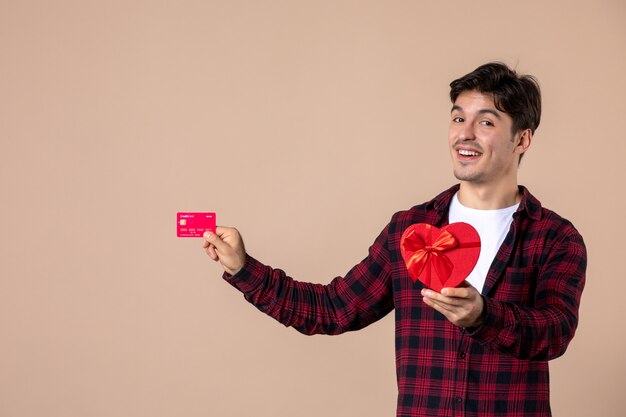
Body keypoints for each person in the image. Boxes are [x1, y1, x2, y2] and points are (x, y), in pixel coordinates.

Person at [202, 62, 587, 417]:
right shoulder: (409, 229)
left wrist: (484, 317)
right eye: (458, 118)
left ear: (521, 140)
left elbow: (555, 331)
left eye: (486, 122)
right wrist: (242, 268)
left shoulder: (554, 237)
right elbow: (333, 308)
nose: (464, 134)